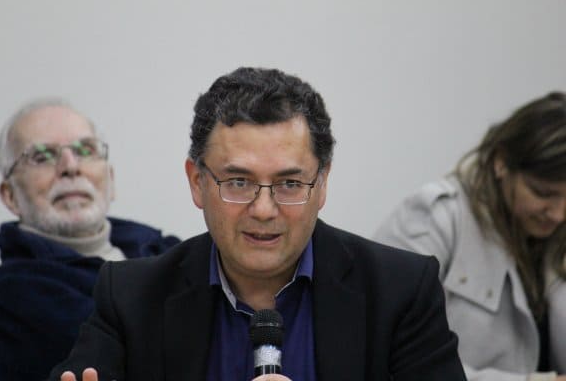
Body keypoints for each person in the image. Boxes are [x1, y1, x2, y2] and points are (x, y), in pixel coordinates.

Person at [49, 67, 466, 381]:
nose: (264, 210)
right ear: (197, 182)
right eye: (238, 182)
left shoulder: (400, 291)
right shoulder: (131, 296)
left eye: (289, 184)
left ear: (321, 184)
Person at [0, 99, 181, 381]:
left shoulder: (165, 249)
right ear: (10, 195)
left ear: (110, 179)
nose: (70, 167)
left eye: (86, 150)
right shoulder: (10, 293)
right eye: (42, 156)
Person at [373, 92, 566, 381]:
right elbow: (387, 354)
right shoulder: (437, 218)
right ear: (501, 162)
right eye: (543, 193)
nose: (559, 214)